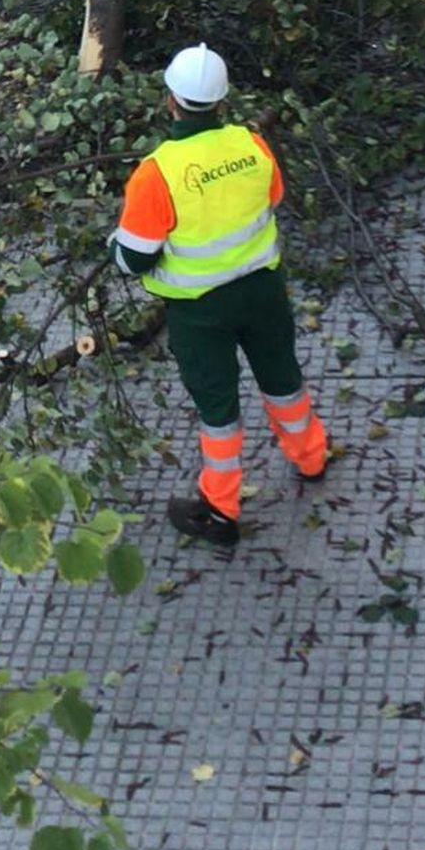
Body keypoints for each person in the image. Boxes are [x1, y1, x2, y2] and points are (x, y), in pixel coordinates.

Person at [111, 44, 330, 552]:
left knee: (218, 407)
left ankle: (220, 507)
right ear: (222, 100)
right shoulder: (252, 144)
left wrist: (114, 245)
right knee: (283, 379)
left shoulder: (156, 174)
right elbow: (273, 199)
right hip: (263, 292)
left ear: (170, 100)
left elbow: (133, 259)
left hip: (200, 312)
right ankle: (311, 458)